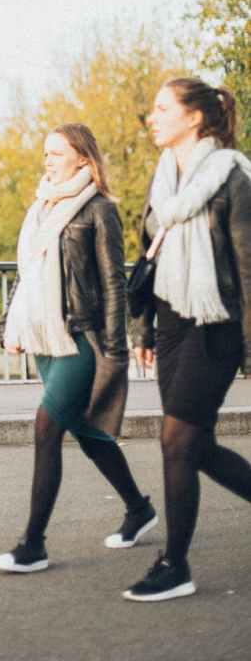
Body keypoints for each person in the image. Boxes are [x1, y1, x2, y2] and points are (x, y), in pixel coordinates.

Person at [0, 124, 156, 574]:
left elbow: (113, 283)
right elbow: (28, 274)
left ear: (83, 159)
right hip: (46, 336)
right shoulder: (41, 207)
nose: (47, 160)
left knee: (47, 427)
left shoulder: (99, 210)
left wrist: (119, 348)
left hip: (83, 337)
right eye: (45, 152)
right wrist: (10, 324)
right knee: (88, 433)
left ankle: (33, 544)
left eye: (56, 153)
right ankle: (138, 509)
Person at [125, 78, 251, 602]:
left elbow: (248, 267)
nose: (151, 117)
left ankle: (174, 565)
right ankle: (175, 563)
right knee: (195, 444)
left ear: (195, 118)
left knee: (176, 440)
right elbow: (151, 258)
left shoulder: (232, 175)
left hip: (216, 319)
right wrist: (144, 327)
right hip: (173, 320)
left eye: (161, 109)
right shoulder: (164, 180)